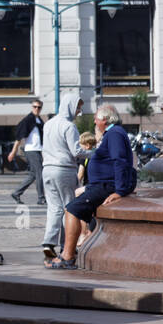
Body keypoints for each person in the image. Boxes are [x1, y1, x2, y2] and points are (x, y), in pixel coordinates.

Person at [48, 104, 136, 269]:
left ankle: (67, 256)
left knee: (72, 209)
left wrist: (120, 191)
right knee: (72, 206)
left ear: (104, 119)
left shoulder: (115, 134)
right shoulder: (112, 133)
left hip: (107, 185)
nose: (94, 121)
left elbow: (120, 161)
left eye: (96, 118)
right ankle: (70, 252)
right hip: (101, 184)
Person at [40, 95, 83, 263]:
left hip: (47, 169)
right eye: (78, 107)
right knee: (69, 209)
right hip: (64, 169)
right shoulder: (69, 126)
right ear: (70, 106)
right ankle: (67, 246)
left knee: (54, 208)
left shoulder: (48, 124)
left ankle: (48, 243)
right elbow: (77, 152)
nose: (79, 111)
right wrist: (96, 153)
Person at [9, 98, 46, 205]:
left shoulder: (39, 120)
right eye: (34, 107)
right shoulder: (28, 120)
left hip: (38, 149)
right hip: (31, 150)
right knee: (40, 172)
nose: (37, 109)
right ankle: (41, 198)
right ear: (32, 107)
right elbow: (19, 137)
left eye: (39, 107)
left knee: (33, 174)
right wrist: (13, 151)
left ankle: (16, 193)